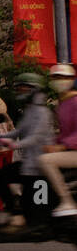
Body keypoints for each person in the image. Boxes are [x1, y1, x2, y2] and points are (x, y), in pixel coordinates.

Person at [0, 72, 53, 230]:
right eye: (19, 88)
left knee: (36, 207)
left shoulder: (43, 113)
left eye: (24, 88)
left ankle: (30, 222)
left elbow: (36, 137)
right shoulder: (29, 111)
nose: (20, 91)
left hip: (39, 167)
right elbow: (18, 131)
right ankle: (15, 213)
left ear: (34, 90)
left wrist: (14, 145)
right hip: (27, 164)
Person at [39, 63, 77, 220]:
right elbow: (64, 132)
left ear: (71, 79)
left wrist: (61, 146)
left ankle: (67, 201)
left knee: (45, 161)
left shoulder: (75, 102)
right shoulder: (62, 104)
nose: (58, 80)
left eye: (62, 77)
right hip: (71, 150)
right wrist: (54, 144)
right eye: (54, 77)